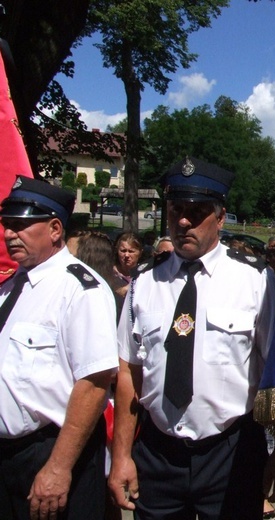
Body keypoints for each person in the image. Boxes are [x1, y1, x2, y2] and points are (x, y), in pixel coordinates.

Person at [108, 157, 275, 520]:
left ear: (220, 218)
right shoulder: (145, 283)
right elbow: (129, 371)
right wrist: (122, 455)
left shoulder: (255, 281)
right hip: (158, 453)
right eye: (176, 210)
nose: (183, 221)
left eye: (197, 211)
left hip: (231, 451)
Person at [0, 176, 118, 520]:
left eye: (21, 225)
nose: (9, 234)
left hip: (49, 452)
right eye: (7, 224)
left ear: (55, 229)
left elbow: (93, 384)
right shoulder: (11, 287)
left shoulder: (80, 289)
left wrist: (57, 468)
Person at [113, 232, 143, 298]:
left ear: (140, 253)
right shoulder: (109, 274)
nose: (126, 255)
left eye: (131, 251)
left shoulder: (145, 275)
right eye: (123, 251)